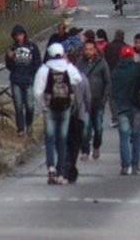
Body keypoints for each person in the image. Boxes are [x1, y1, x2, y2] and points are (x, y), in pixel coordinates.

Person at [33, 43, 84, 185]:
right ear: (62, 54)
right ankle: (61, 173)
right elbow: (78, 79)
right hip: (65, 108)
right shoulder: (68, 67)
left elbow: (37, 92)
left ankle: (50, 167)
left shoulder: (44, 69)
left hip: (49, 107)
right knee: (62, 140)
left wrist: (41, 106)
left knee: (50, 139)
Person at [111, 45, 140, 175]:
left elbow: (113, 89)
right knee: (137, 136)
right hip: (138, 106)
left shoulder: (116, 71)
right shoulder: (138, 68)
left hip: (122, 106)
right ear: (132, 55)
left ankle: (125, 165)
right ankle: (135, 164)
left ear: (121, 56)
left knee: (124, 137)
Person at [5, 24, 42, 137]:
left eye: (20, 34)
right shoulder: (12, 49)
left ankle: (29, 123)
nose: (19, 37)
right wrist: (10, 58)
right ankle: (20, 128)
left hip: (29, 80)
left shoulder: (32, 47)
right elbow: (9, 67)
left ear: (24, 34)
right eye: (16, 35)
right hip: (16, 80)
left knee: (30, 105)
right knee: (18, 105)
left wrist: (34, 75)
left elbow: (37, 62)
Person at [76, 40, 110, 161]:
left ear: (95, 50)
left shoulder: (101, 63)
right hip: (84, 103)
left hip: (98, 101)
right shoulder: (80, 63)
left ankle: (96, 147)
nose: (88, 52)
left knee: (98, 127)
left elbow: (107, 81)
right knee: (85, 127)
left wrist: (104, 98)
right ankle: (85, 151)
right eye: (86, 49)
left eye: (91, 49)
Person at [64, 65, 90, 183]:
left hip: (63, 115)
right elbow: (87, 97)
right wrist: (87, 110)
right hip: (78, 115)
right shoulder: (82, 78)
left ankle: (66, 161)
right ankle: (72, 163)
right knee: (75, 143)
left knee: (64, 141)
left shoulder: (60, 77)